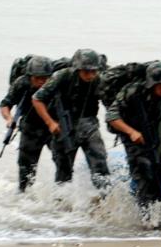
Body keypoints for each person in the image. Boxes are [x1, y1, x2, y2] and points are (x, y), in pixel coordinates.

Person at [31, 48, 110, 189]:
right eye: (86, 71)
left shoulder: (99, 80)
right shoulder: (62, 76)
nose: (91, 75)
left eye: (94, 71)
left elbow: (109, 103)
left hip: (89, 125)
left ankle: (103, 200)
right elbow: (37, 99)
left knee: (100, 164)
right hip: (64, 127)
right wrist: (50, 123)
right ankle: (61, 206)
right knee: (63, 173)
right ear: (77, 69)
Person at [106, 62, 161, 215]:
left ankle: (154, 211)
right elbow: (111, 116)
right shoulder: (132, 92)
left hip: (154, 133)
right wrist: (131, 132)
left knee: (158, 171)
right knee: (143, 170)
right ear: (152, 83)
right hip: (132, 133)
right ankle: (144, 217)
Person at [0, 55, 55, 192]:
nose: (42, 82)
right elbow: (5, 104)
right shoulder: (21, 83)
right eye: (37, 78)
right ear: (30, 76)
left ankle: (62, 195)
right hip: (31, 127)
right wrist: (9, 119)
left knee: (64, 161)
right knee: (26, 171)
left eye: (45, 78)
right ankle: (24, 199)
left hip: (53, 126)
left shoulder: (56, 83)